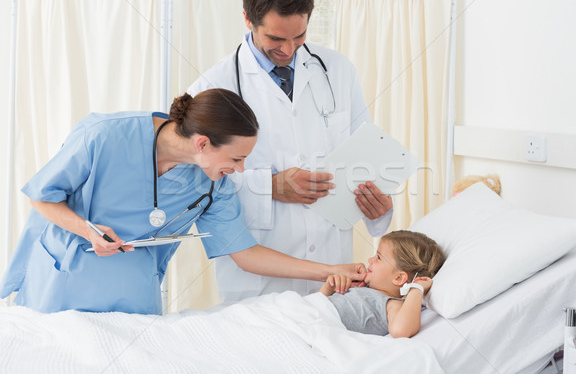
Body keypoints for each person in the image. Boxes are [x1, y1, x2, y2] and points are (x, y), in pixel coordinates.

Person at [0, 89, 366, 315]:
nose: (239, 171)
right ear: (203, 143)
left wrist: (329, 270)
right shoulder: (104, 136)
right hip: (64, 284)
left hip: (133, 296)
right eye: (236, 159)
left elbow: (245, 252)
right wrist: (88, 230)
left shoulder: (211, 184)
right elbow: (41, 196)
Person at [187, 0, 394, 302]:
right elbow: (195, 186)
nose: (288, 49)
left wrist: (377, 206)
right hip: (258, 286)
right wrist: (270, 188)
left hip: (333, 274)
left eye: (299, 36)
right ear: (247, 18)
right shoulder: (212, 86)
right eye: (275, 38)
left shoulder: (338, 70)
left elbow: (364, 159)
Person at [319, 230, 446, 338]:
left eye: (378, 257)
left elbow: (400, 330)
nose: (370, 260)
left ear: (398, 278)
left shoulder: (391, 304)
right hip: (308, 313)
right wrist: (328, 289)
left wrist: (416, 289)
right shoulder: (361, 287)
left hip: (317, 326)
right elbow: (316, 305)